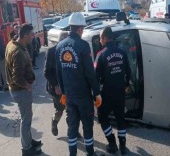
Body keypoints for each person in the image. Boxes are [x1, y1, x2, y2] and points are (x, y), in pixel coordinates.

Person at [55, 12, 101, 156]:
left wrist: (63, 92)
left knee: (72, 126)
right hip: (83, 95)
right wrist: (97, 92)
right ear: (80, 28)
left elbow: (59, 73)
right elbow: (89, 73)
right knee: (87, 125)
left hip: (69, 95)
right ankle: (90, 153)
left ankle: (72, 153)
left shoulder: (59, 46)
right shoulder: (83, 46)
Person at [5, 24, 42, 155]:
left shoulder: (12, 43)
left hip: (17, 90)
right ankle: (26, 149)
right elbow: (17, 77)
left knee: (27, 118)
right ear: (25, 35)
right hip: (20, 91)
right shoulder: (18, 52)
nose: (33, 36)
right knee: (26, 119)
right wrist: (27, 86)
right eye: (32, 34)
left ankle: (28, 140)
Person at [95, 26, 131, 155]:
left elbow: (95, 76)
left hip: (107, 93)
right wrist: (125, 85)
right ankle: (123, 146)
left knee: (102, 117)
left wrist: (96, 93)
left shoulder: (101, 55)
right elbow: (129, 72)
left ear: (105, 38)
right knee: (120, 118)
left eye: (100, 38)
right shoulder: (122, 52)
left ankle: (111, 143)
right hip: (120, 91)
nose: (100, 41)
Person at [44, 31, 68, 136]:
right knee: (60, 109)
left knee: (71, 109)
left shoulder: (67, 51)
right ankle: (54, 122)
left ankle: (73, 130)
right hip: (56, 88)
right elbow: (47, 72)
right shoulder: (51, 51)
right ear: (61, 40)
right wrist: (56, 85)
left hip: (67, 86)